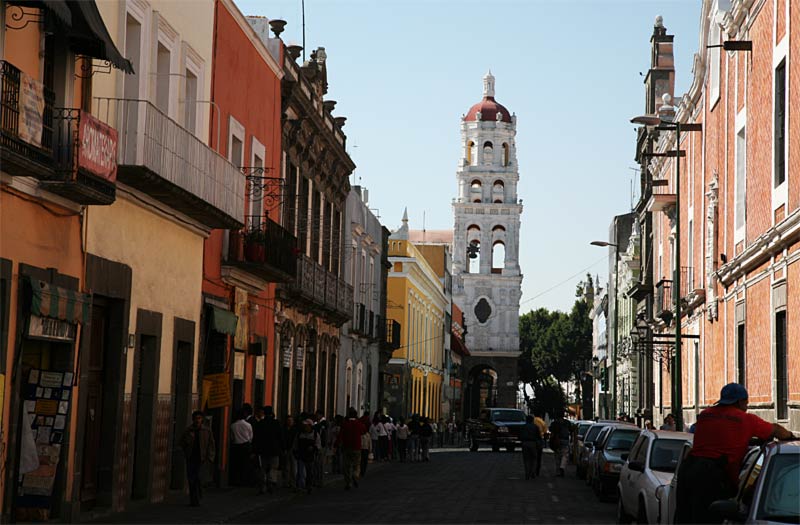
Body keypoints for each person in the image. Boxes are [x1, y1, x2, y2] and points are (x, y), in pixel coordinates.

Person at [675, 383, 796, 524]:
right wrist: (792, 437)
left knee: (684, 517)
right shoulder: (745, 419)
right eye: (746, 403)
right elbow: (775, 430)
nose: (746, 407)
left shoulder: (705, 415)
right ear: (740, 402)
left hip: (688, 469)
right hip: (710, 475)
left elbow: (719, 436)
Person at [180, 411, 216, 506]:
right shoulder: (188, 431)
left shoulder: (206, 431)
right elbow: (182, 443)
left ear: (202, 419)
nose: (197, 420)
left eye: (199, 418)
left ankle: (198, 495)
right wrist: (189, 441)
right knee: (191, 479)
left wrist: (210, 457)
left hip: (202, 458)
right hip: (191, 457)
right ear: (193, 419)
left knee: (199, 478)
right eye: (196, 418)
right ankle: (193, 499)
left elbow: (211, 444)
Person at [252, 406, 283, 495]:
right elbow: (281, 437)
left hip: (263, 450)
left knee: (263, 468)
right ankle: (271, 481)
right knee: (273, 467)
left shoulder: (260, 424)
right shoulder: (276, 423)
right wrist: (282, 448)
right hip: (274, 450)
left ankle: (263, 485)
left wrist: (255, 450)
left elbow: (256, 438)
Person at [337, 407, 365, 490]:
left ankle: (348, 482)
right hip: (357, 446)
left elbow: (340, 435)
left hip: (346, 447)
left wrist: (336, 445)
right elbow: (363, 431)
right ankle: (355, 475)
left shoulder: (345, 424)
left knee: (347, 466)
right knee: (357, 464)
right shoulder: (359, 424)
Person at [294, 419, 320, 494]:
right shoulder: (299, 434)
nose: (305, 427)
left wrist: (313, 448)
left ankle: (309, 486)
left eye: (306, 425)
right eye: (304, 425)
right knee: (300, 472)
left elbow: (318, 445)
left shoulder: (315, 434)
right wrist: (295, 452)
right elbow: (295, 444)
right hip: (301, 455)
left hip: (310, 456)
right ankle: (300, 486)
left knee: (309, 472)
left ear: (310, 426)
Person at [229, 407, 253, 486]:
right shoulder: (248, 425)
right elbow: (251, 437)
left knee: (236, 464)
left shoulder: (233, 425)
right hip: (246, 445)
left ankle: (236, 480)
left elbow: (232, 437)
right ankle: (245, 480)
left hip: (236, 446)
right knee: (245, 464)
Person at [520, 415, 542, 480]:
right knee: (534, 458)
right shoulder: (535, 427)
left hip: (525, 443)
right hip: (533, 443)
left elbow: (520, 435)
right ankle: (532, 471)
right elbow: (539, 436)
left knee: (526, 459)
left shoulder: (523, 427)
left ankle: (527, 473)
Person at [281, 415, 297, 489]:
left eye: (291, 421)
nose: (290, 422)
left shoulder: (295, 430)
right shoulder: (283, 429)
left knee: (293, 468)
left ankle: (292, 482)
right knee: (286, 467)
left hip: (293, 450)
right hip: (286, 449)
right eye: (288, 420)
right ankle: (286, 482)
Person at [533, 411, 547, 477]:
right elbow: (545, 432)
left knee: (532, 456)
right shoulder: (542, 422)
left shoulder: (532, 420)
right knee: (539, 457)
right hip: (539, 440)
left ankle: (532, 469)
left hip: (532, 439)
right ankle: (537, 471)